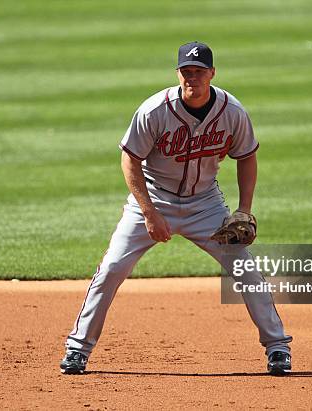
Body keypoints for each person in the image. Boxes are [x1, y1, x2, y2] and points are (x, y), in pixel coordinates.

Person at [61, 41, 292, 375]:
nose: (192, 78)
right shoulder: (154, 110)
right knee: (111, 269)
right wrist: (150, 213)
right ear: (178, 73)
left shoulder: (232, 111)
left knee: (246, 271)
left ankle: (278, 347)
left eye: (199, 72)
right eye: (186, 71)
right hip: (154, 200)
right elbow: (130, 160)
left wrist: (244, 209)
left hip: (206, 205)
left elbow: (247, 157)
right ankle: (78, 349)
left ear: (212, 73)